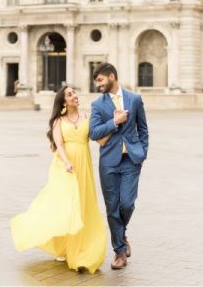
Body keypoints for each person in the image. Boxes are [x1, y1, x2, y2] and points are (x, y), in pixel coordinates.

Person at [11, 86, 108, 274]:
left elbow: (100, 140)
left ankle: (83, 250)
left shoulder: (87, 118)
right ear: (64, 102)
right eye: (70, 94)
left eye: (75, 93)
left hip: (84, 165)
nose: (75, 96)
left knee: (84, 205)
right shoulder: (58, 121)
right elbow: (59, 145)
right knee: (66, 207)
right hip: (66, 167)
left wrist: (115, 123)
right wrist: (66, 163)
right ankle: (65, 246)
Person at [89, 63, 149, 270]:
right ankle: (119, 252)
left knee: (127, 204)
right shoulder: (97, 105)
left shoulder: (134, 99)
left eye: (100, 80)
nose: (98, 84)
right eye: (97, 81)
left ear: (112, 76)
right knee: (112, 208)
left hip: (131, 160)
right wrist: (115, 122)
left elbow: (143, 129)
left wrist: (143, 154)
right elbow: (94, 133)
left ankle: (121, 234)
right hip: (108, 162)